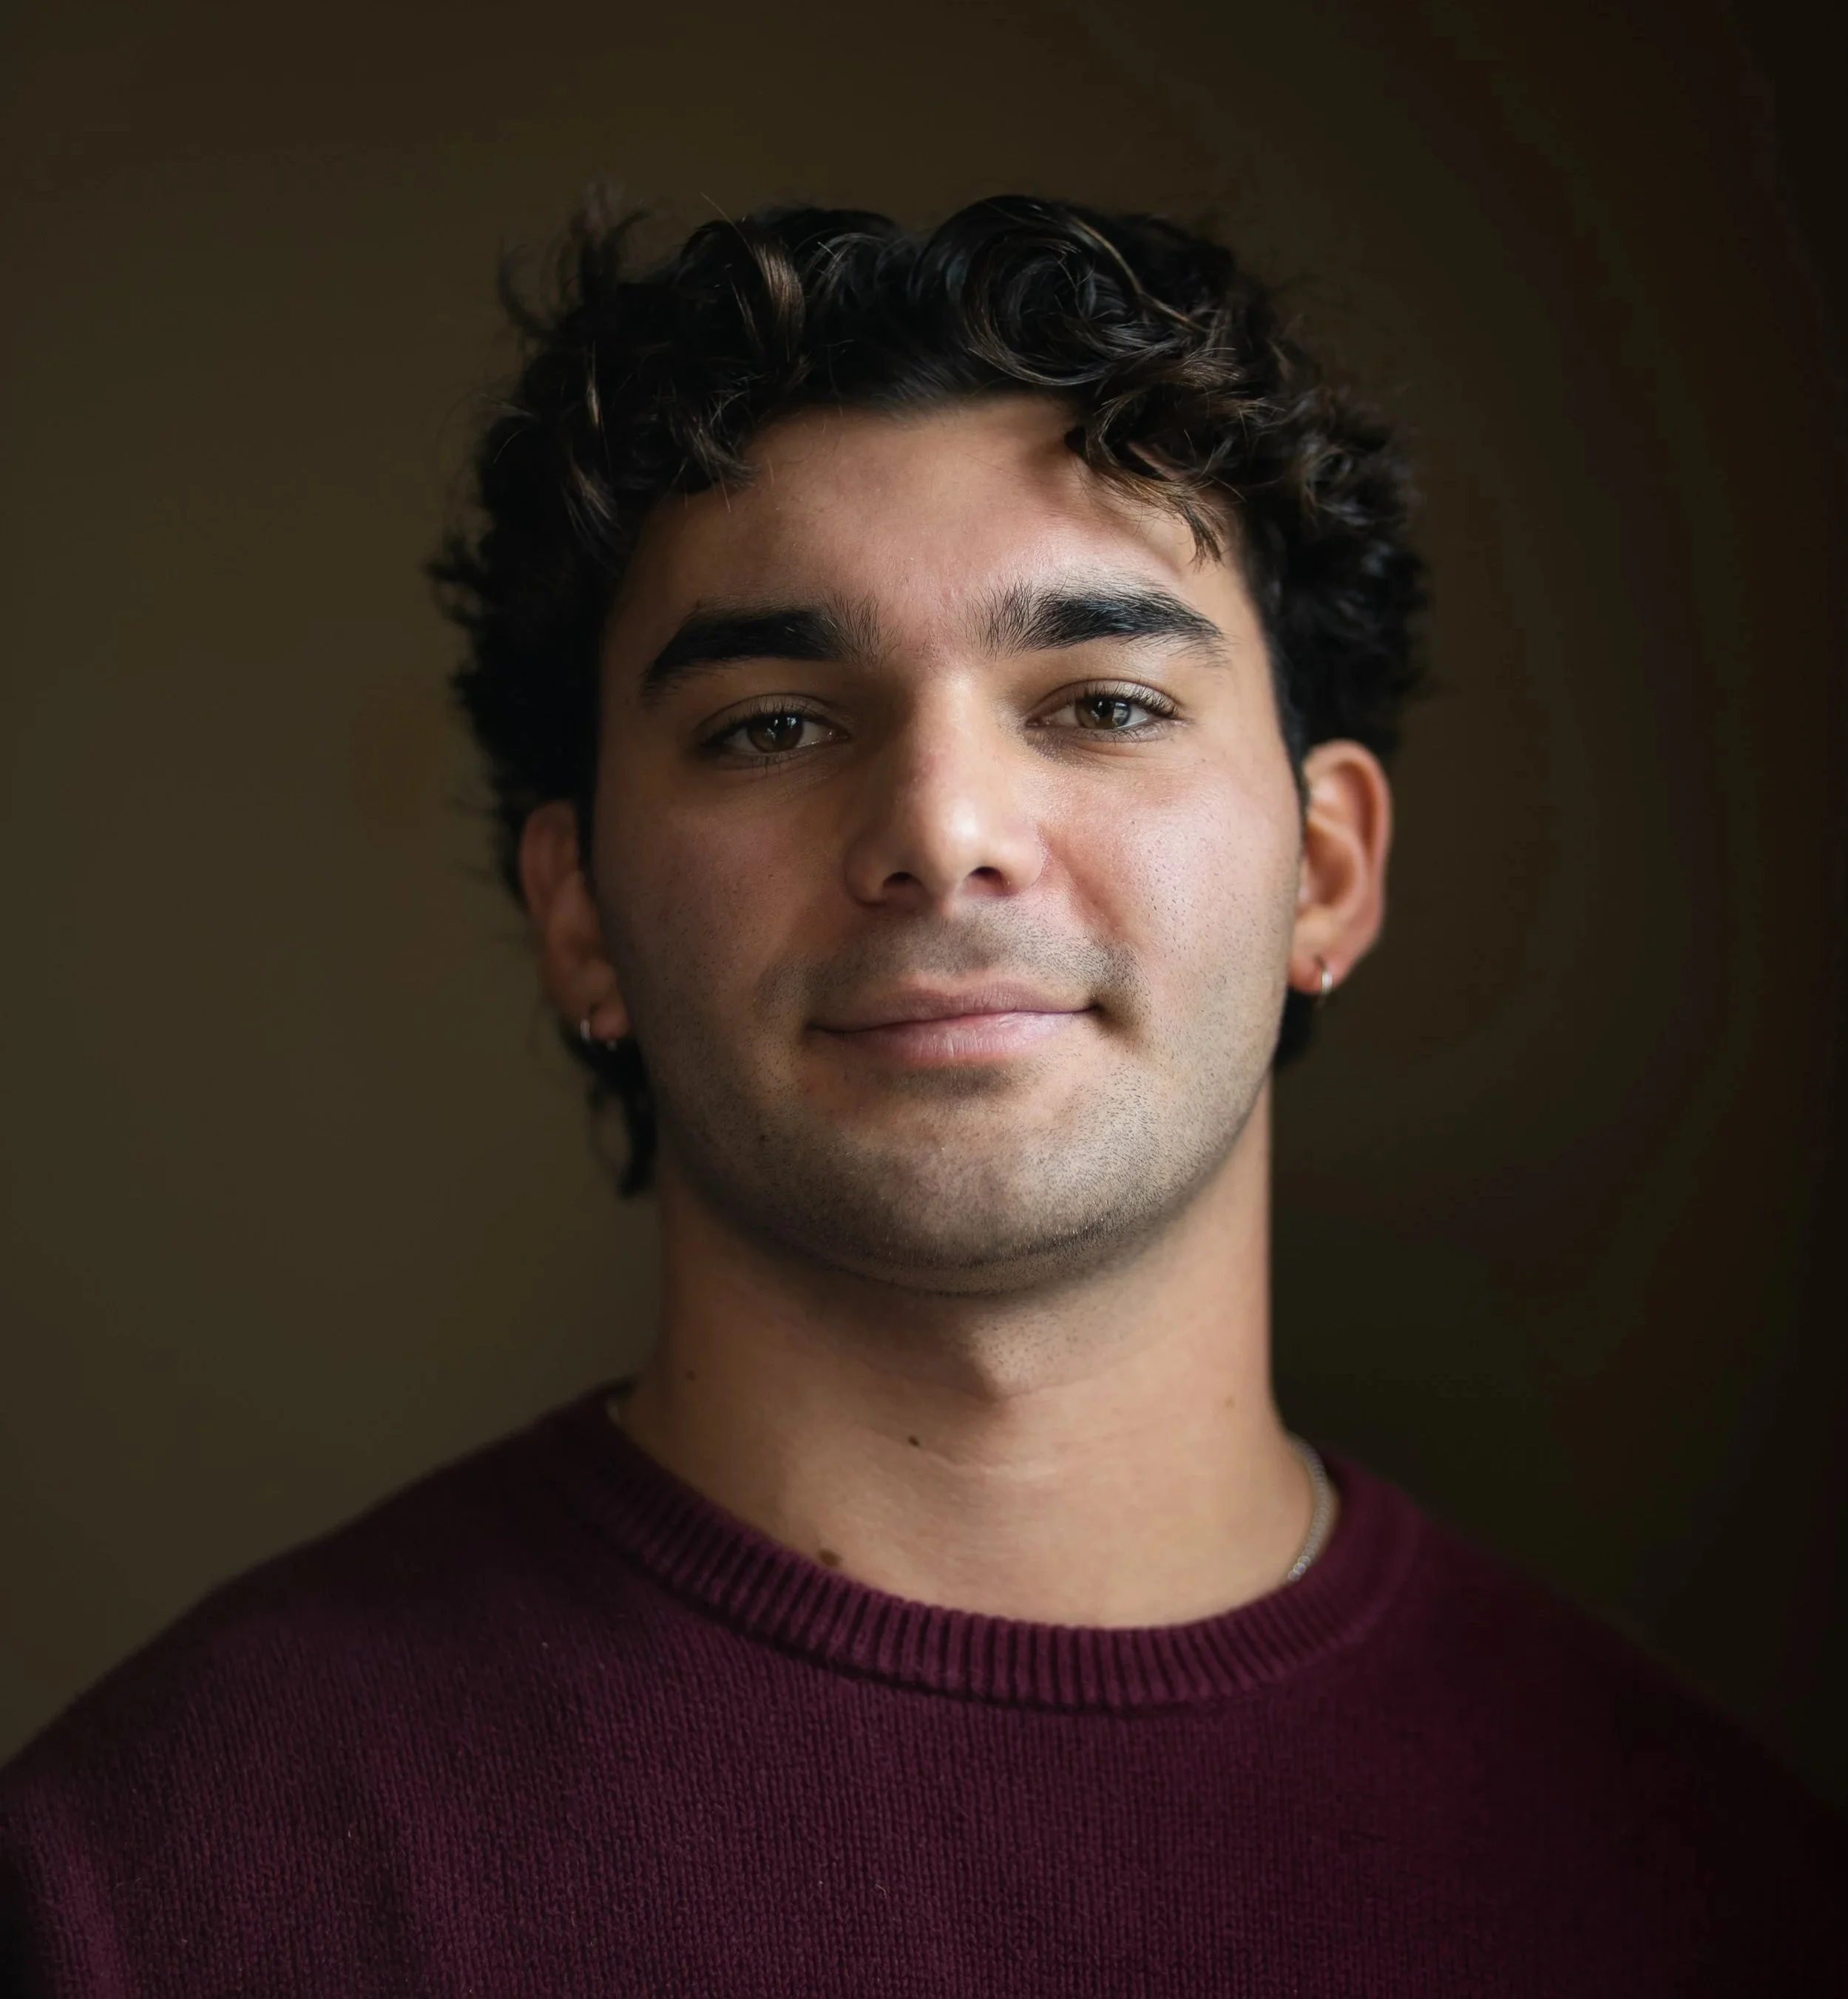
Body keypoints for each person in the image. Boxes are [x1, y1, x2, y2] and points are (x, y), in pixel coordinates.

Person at [1, 194, 1840, 1996]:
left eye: (1103, 704)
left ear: (1328, 870)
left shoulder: (1733, 1907)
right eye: (773, 724)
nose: (943, 831)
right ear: (578, 918)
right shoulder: (136, 1895)